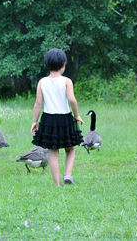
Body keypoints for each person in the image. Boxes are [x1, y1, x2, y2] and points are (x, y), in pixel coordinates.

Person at [31, 48, 84, 186]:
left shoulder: (42, 82)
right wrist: (77, 115)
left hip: (48, 119)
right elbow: (72, 100)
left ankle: (57, 184)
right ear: (63, 65)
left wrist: (34, 121)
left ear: (47, 65)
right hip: (65, 118)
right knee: (70, 148)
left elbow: (38, 103)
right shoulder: (67, 81)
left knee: (53, 153)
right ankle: (67, 174)